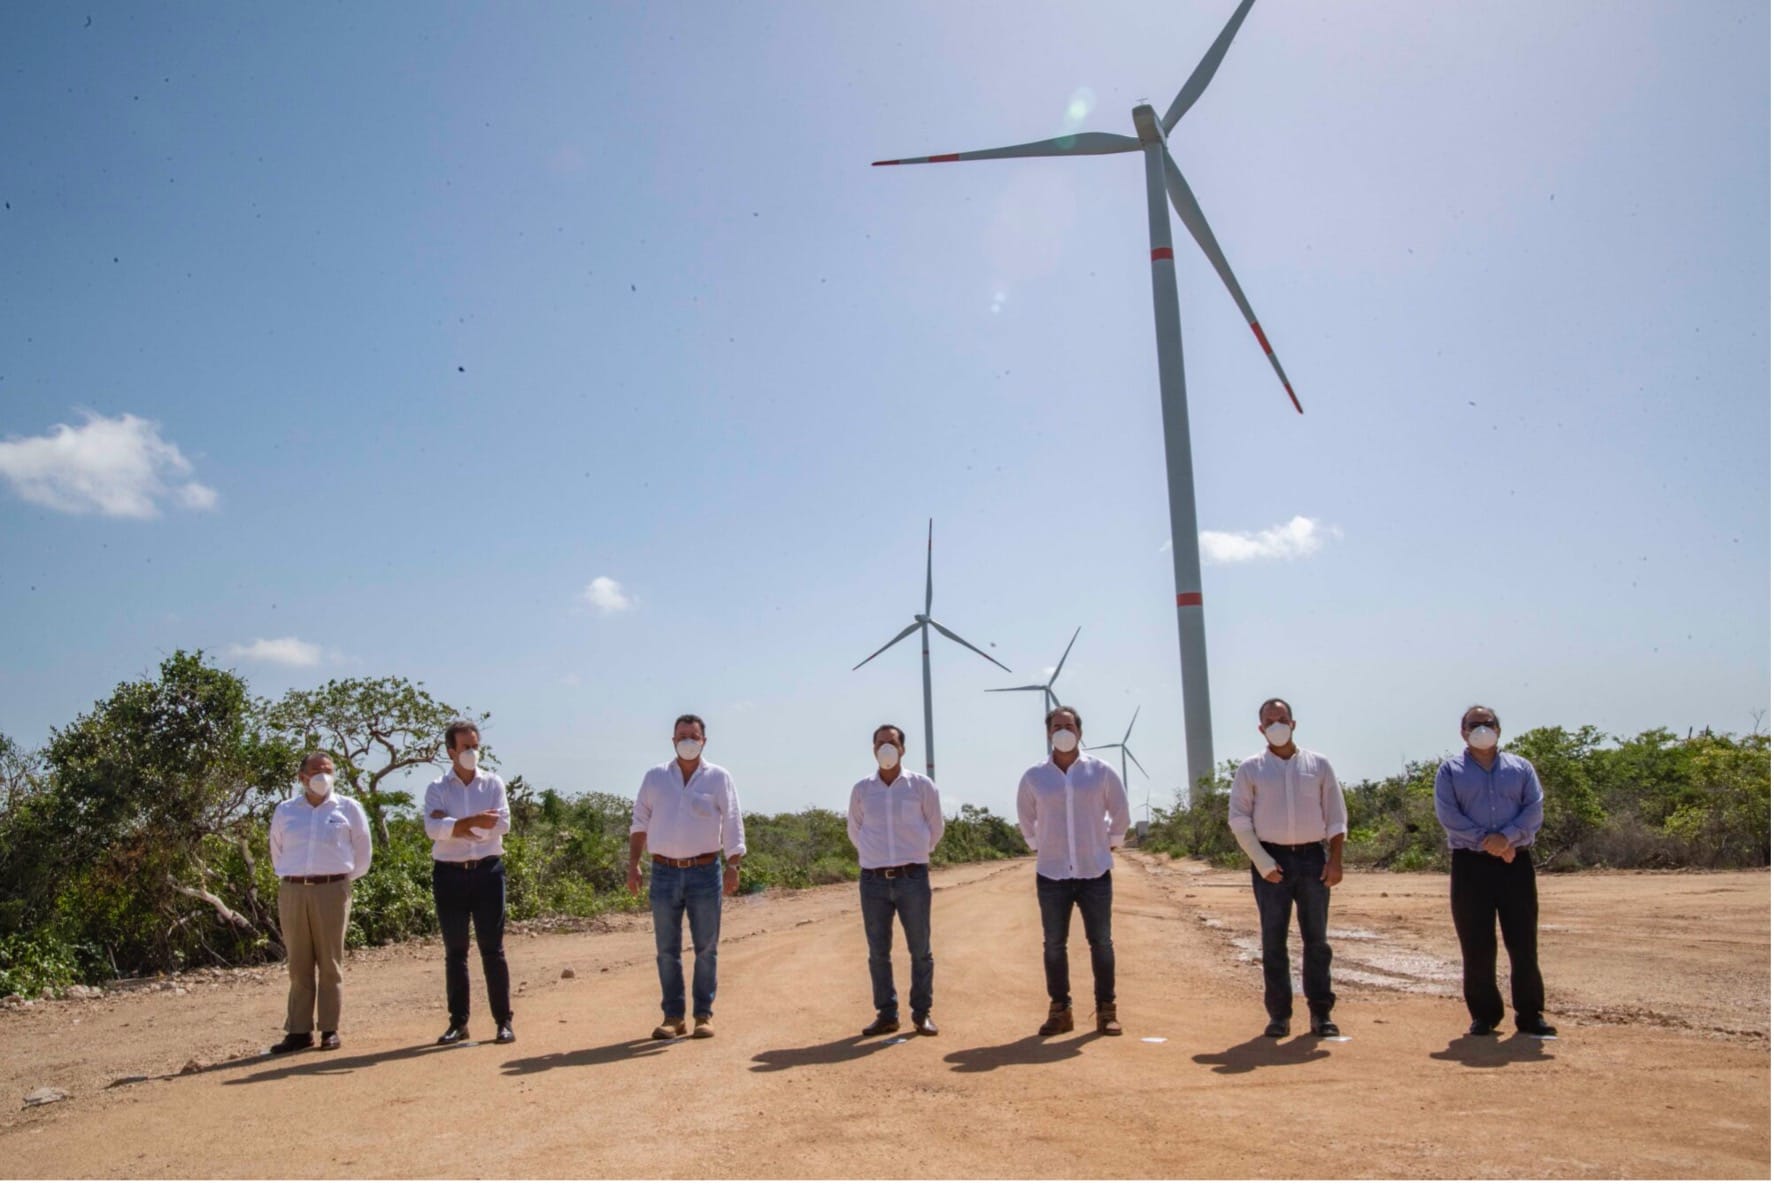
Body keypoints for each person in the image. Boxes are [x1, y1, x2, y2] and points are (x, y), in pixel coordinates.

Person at [1227, 697, 1348, 1038]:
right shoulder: (1251, 769)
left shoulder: (1318, 765)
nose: (1276, 725)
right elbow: (1239, 819)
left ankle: (1321, 1014)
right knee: (1273, 942)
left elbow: (1336, 816)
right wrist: (1262, 862)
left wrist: (1335, 860)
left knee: (1317, 942)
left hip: (1312, 859)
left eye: (1282, 719)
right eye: (1270, 721)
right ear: (1260, 728)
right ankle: (1279, 1016)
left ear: (1293, 723)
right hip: (1271, 860)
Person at [1434, 705, 1556, 1038]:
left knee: (1523, 941)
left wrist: (1507, 839)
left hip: (1515, 863)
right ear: (1462, 732)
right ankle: (1484, 1015)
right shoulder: (1450, 772)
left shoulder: (1521, 768)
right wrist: (1489, 842)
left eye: (1487, 723)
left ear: (1499, 729)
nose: (1481, 729)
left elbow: (1534, 809)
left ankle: (1530, 1014)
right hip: (1470, 865)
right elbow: (1449, 815)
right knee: (1476, 944)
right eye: (1474, 724)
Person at [627, 714, 746, 1040]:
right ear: (673, 740)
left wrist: (733, 865)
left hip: (705, 872)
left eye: (693, 736)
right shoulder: (655, 777)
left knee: (706, 947)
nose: (687, 741)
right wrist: (633, 864)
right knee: (667, 949)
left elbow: (733, 821)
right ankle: (673, 1017)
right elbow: (639, 821)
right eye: (682, 736)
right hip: (663, 872)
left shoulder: (718, 778)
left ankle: (703, 1015)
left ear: (704, 741)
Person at [1016, 706, 1131, 1037]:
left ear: (1080, 731)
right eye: (1056, 726)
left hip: (1094, 872)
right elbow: (1025, 815)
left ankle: (1106, 1011)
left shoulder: (1101, 771)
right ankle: (1060, 1011)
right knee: (1054, 944)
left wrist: (1111, 842)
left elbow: (1120, 811)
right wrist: (1037, 845)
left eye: (1068, 725)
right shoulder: (1034, 776)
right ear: (1048, 733)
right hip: (1052, 873)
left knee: (1102, 943)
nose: (1062, 731)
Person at [267, 751, 372, 1053]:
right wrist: (294, 876)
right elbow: (277, 850)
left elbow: (363, 851)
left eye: (328, 770)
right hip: (293, 889)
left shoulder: (348, 808)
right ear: (302, 777)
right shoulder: (286, 810)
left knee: (330, 962)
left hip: (332, 889)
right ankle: (299, 1032)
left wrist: (341, 880)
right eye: (316, 771)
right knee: (298, 963)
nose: (322, 776)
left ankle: (329, 1029)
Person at [847, 724, 945, 1037]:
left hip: (912, 877)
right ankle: (886, 1014)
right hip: (873, 880)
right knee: (878, 952)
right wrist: (873, 856)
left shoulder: (921, 786)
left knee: (920, 949)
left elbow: (935, 827)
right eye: (880, 743)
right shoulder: (862, 789)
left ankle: (922, 1013)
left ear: (902, 748)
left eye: (891, 742)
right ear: (873, 749)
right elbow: (855, 829)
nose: (885, 748)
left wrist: (916, 853)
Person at [423, 720, 514, 1045]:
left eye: (475, 746)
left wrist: (455, 826)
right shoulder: (437, 788)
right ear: (451, 751)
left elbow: (502, 824)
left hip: (487, 872)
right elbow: (432, 829)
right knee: (456, 951)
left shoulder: (492, 783)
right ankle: (458, 1023)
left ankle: (503, 1022)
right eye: (465, 747)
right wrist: (475, 821)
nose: (472, 752)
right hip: (448, 874)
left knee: (493, 949)